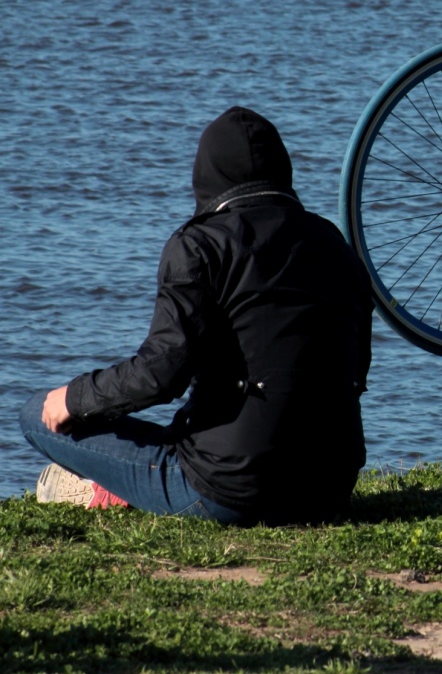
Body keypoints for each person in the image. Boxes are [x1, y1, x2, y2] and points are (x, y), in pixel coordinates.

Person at [20, 106, 373, 525]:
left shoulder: (199, 246)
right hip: (329, 488)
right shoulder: (335, 244)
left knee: (36, 414)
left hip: (230, 491)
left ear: (206, 175)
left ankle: (104, 489)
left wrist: (74, 398)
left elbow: (160, 373)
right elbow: (358, 366)